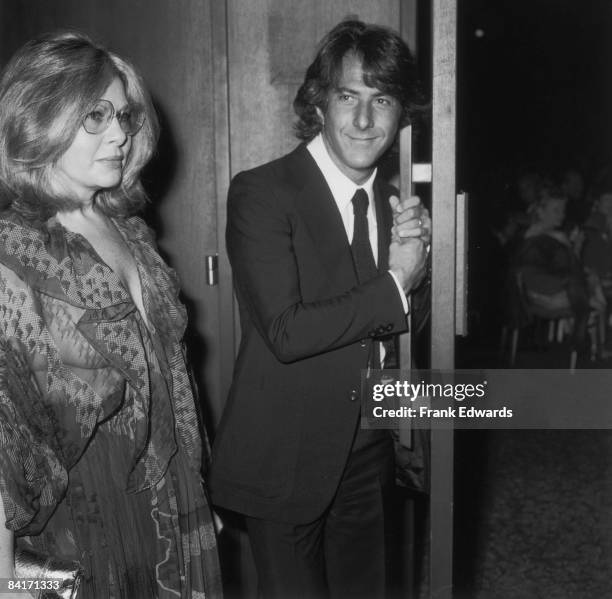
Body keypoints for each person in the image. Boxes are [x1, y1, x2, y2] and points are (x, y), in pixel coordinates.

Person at [210, 19, 430, 599]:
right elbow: (286, 331)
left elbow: (394, 328)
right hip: (284, 462)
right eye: (348, 97)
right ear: (318, 102)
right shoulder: (263, 192)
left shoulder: (394, 202)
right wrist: (398, 281)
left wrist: (419, 274)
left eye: (381, 100)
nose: (364, 120)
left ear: (401, 112)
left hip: (368, 455)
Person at [0, 32, 222, 598]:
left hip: (167, 503)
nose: (121, 133)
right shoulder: (15, 255)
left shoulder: (130, 232)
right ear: (41, 116)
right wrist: (6, 581)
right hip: (78, 526)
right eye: (95, 116)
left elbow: (174, 387)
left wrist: (194, 496)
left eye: (124, 115)